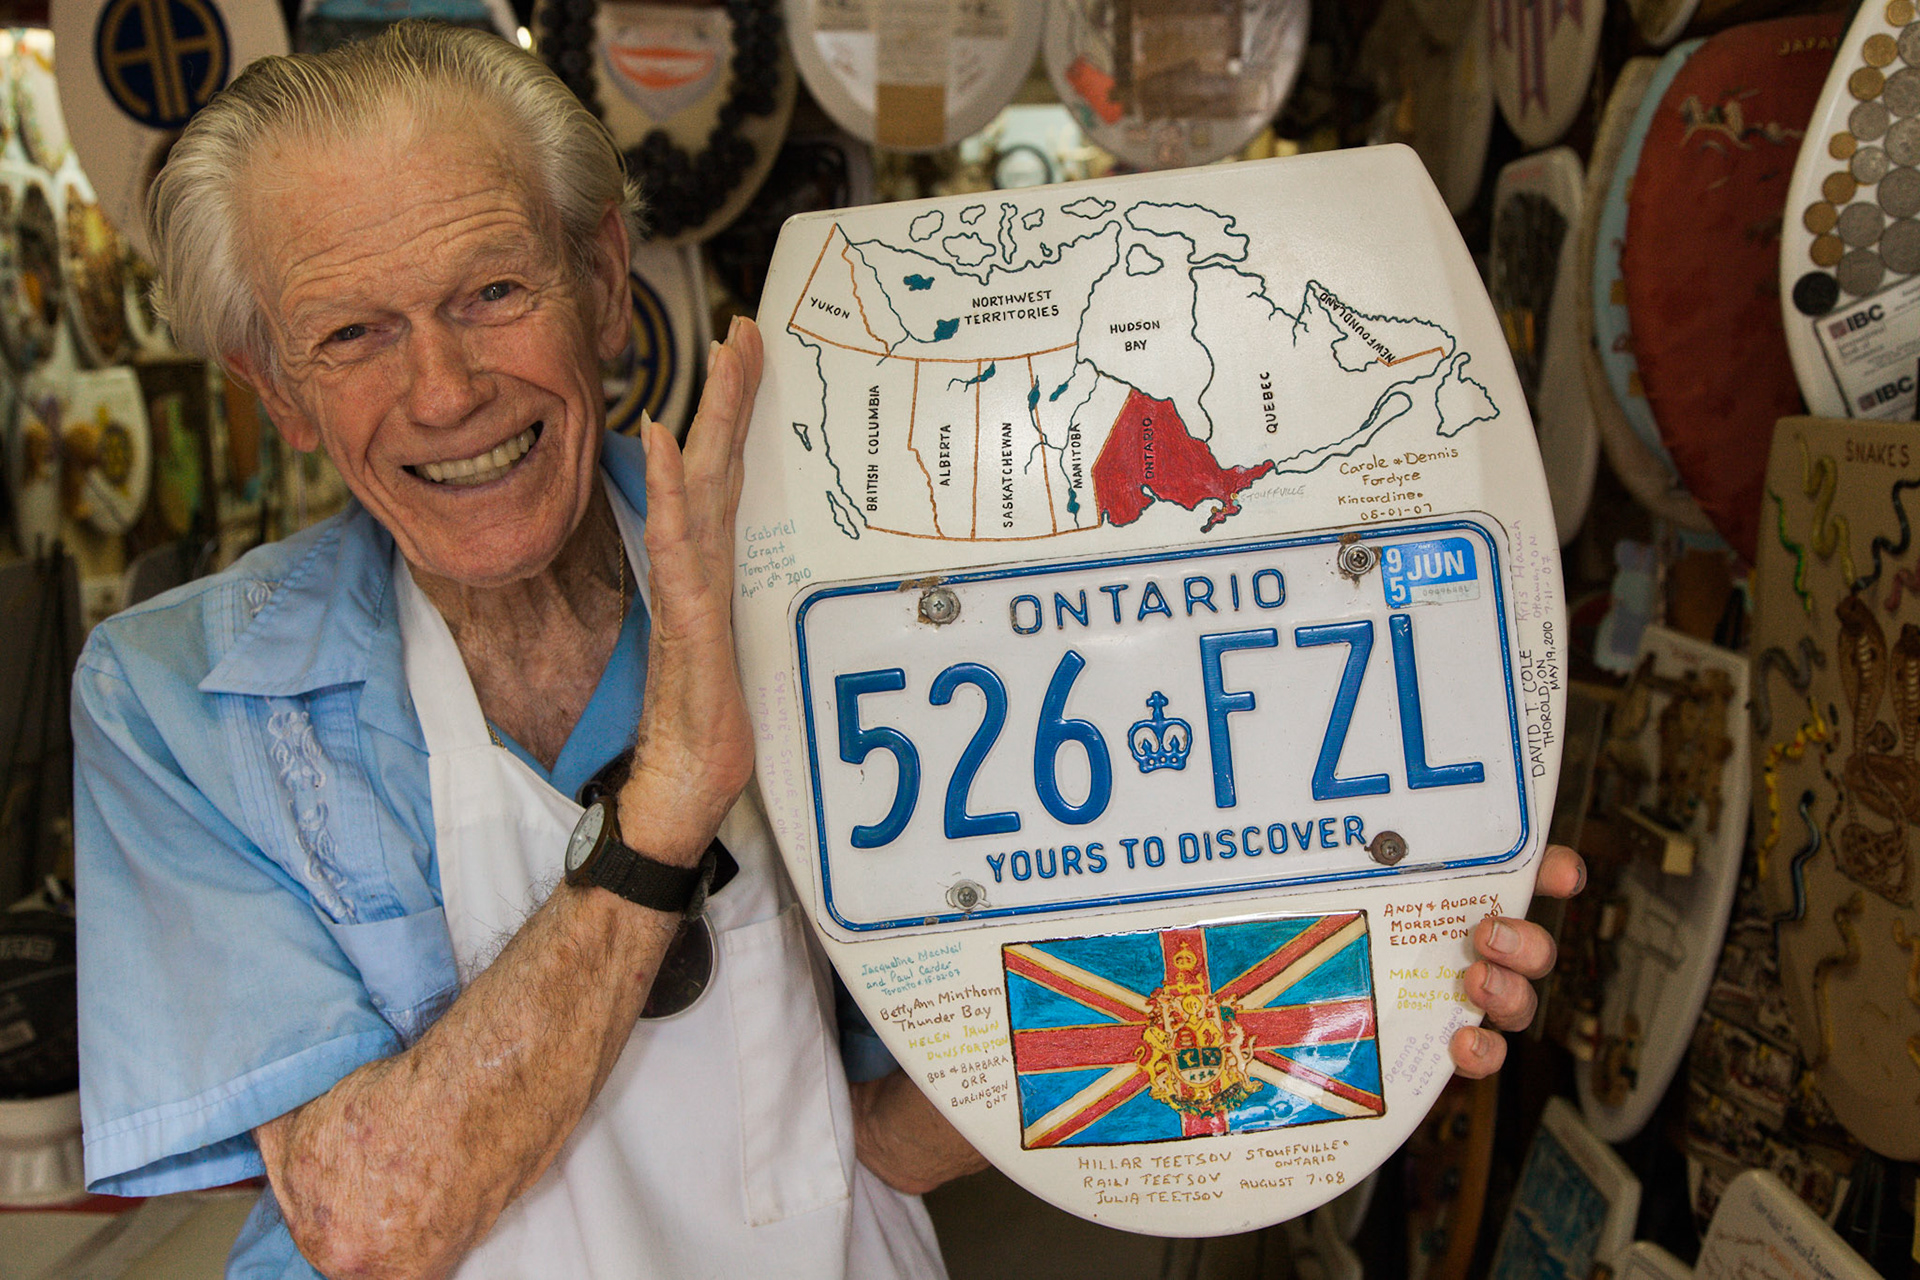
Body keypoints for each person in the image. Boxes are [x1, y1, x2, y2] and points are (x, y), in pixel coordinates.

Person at [72, 22, 1583, 1279]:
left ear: (602, 281)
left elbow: (901, 1126)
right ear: (271, 387)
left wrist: (1317, 969)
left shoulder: (834, 579)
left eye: (492, 292)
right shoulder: (178, 700)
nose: (446, 389)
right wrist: (670, 801)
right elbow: (366, 1216)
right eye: (351, 335)